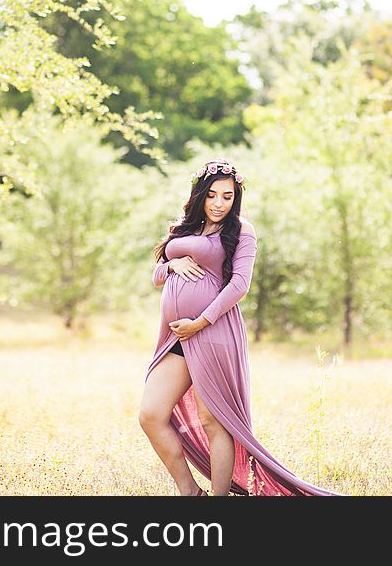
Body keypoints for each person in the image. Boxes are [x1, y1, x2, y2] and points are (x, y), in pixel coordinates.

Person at [139, 159, 340, 496]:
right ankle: (190, 492)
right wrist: (173, 263)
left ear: (236, 199)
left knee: (212, 419)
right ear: (201, 195)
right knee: (150, 414)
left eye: (228, 197)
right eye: (213, 195)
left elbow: (239, 286)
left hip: (212, 332)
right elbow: (157, 275)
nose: (219, 203)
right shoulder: (183, 229)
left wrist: (200, 322)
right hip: (176, 337)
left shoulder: (241, 230)